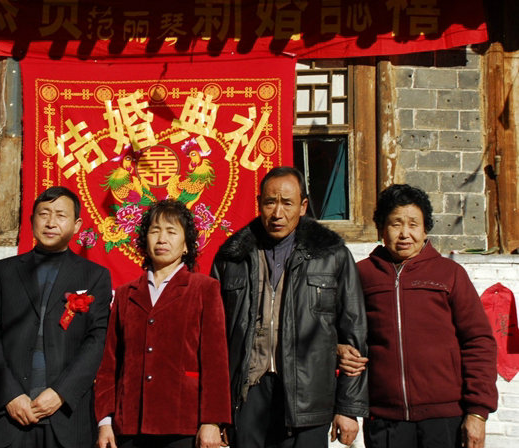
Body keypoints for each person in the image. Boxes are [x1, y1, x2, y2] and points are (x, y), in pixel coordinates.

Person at [210, 166, 368, 448]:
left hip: (309, 395)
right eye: (270, 202)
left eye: (287, 203)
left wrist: (348, 408)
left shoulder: (332, 255)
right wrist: (214, 413)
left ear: (303, 206)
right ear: (259, 203)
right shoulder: (232, 258)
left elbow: (354, 338)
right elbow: (214, 341)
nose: (277, 213)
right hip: (248, 394)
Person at [338, 184, 498, 448]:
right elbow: (334, 331)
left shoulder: (449, 274)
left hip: (445, 418)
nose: (405, 234)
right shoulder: (361, 274)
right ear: (381, 229)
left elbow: (478, 341)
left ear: (425, 230)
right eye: (395, 224)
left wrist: (478, 412)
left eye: (413, 224)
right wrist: (338, 349)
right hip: (384, 419)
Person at [0, 186, 113, 448]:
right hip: (10, 416)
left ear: (77, 225)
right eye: (44, 214)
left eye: (60, 215)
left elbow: (97, 341)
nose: (51, 222)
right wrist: (10, 395)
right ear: (32, 221)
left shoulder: (94, 276)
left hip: (67, 417)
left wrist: (61, 393)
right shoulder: (3, 272)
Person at [95, 199, 231, 448]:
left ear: (187, 245)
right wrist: (105, 422)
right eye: (155, 231)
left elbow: (216, 362)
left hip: (183, 423)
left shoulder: (204, 289)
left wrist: (212, 421)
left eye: (171, 231)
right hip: (130, 424)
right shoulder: (126, 294)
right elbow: (110, 365)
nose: (162, 239)